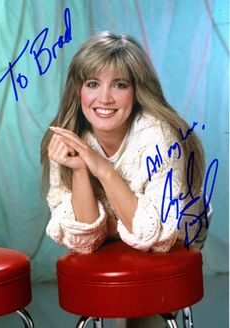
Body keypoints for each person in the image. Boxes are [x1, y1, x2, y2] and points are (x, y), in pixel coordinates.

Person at [40, 31, 209, 327]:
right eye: (93, 83)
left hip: (174, 231)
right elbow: (83, 242)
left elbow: (156, 238)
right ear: (78, 90)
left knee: (143, 313)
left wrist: (103, 170)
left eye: (119, 84)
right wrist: (81, 170)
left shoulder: (159, 136)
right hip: (116, 234)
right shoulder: (68, 138)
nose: (104, 98)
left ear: (136, 91)